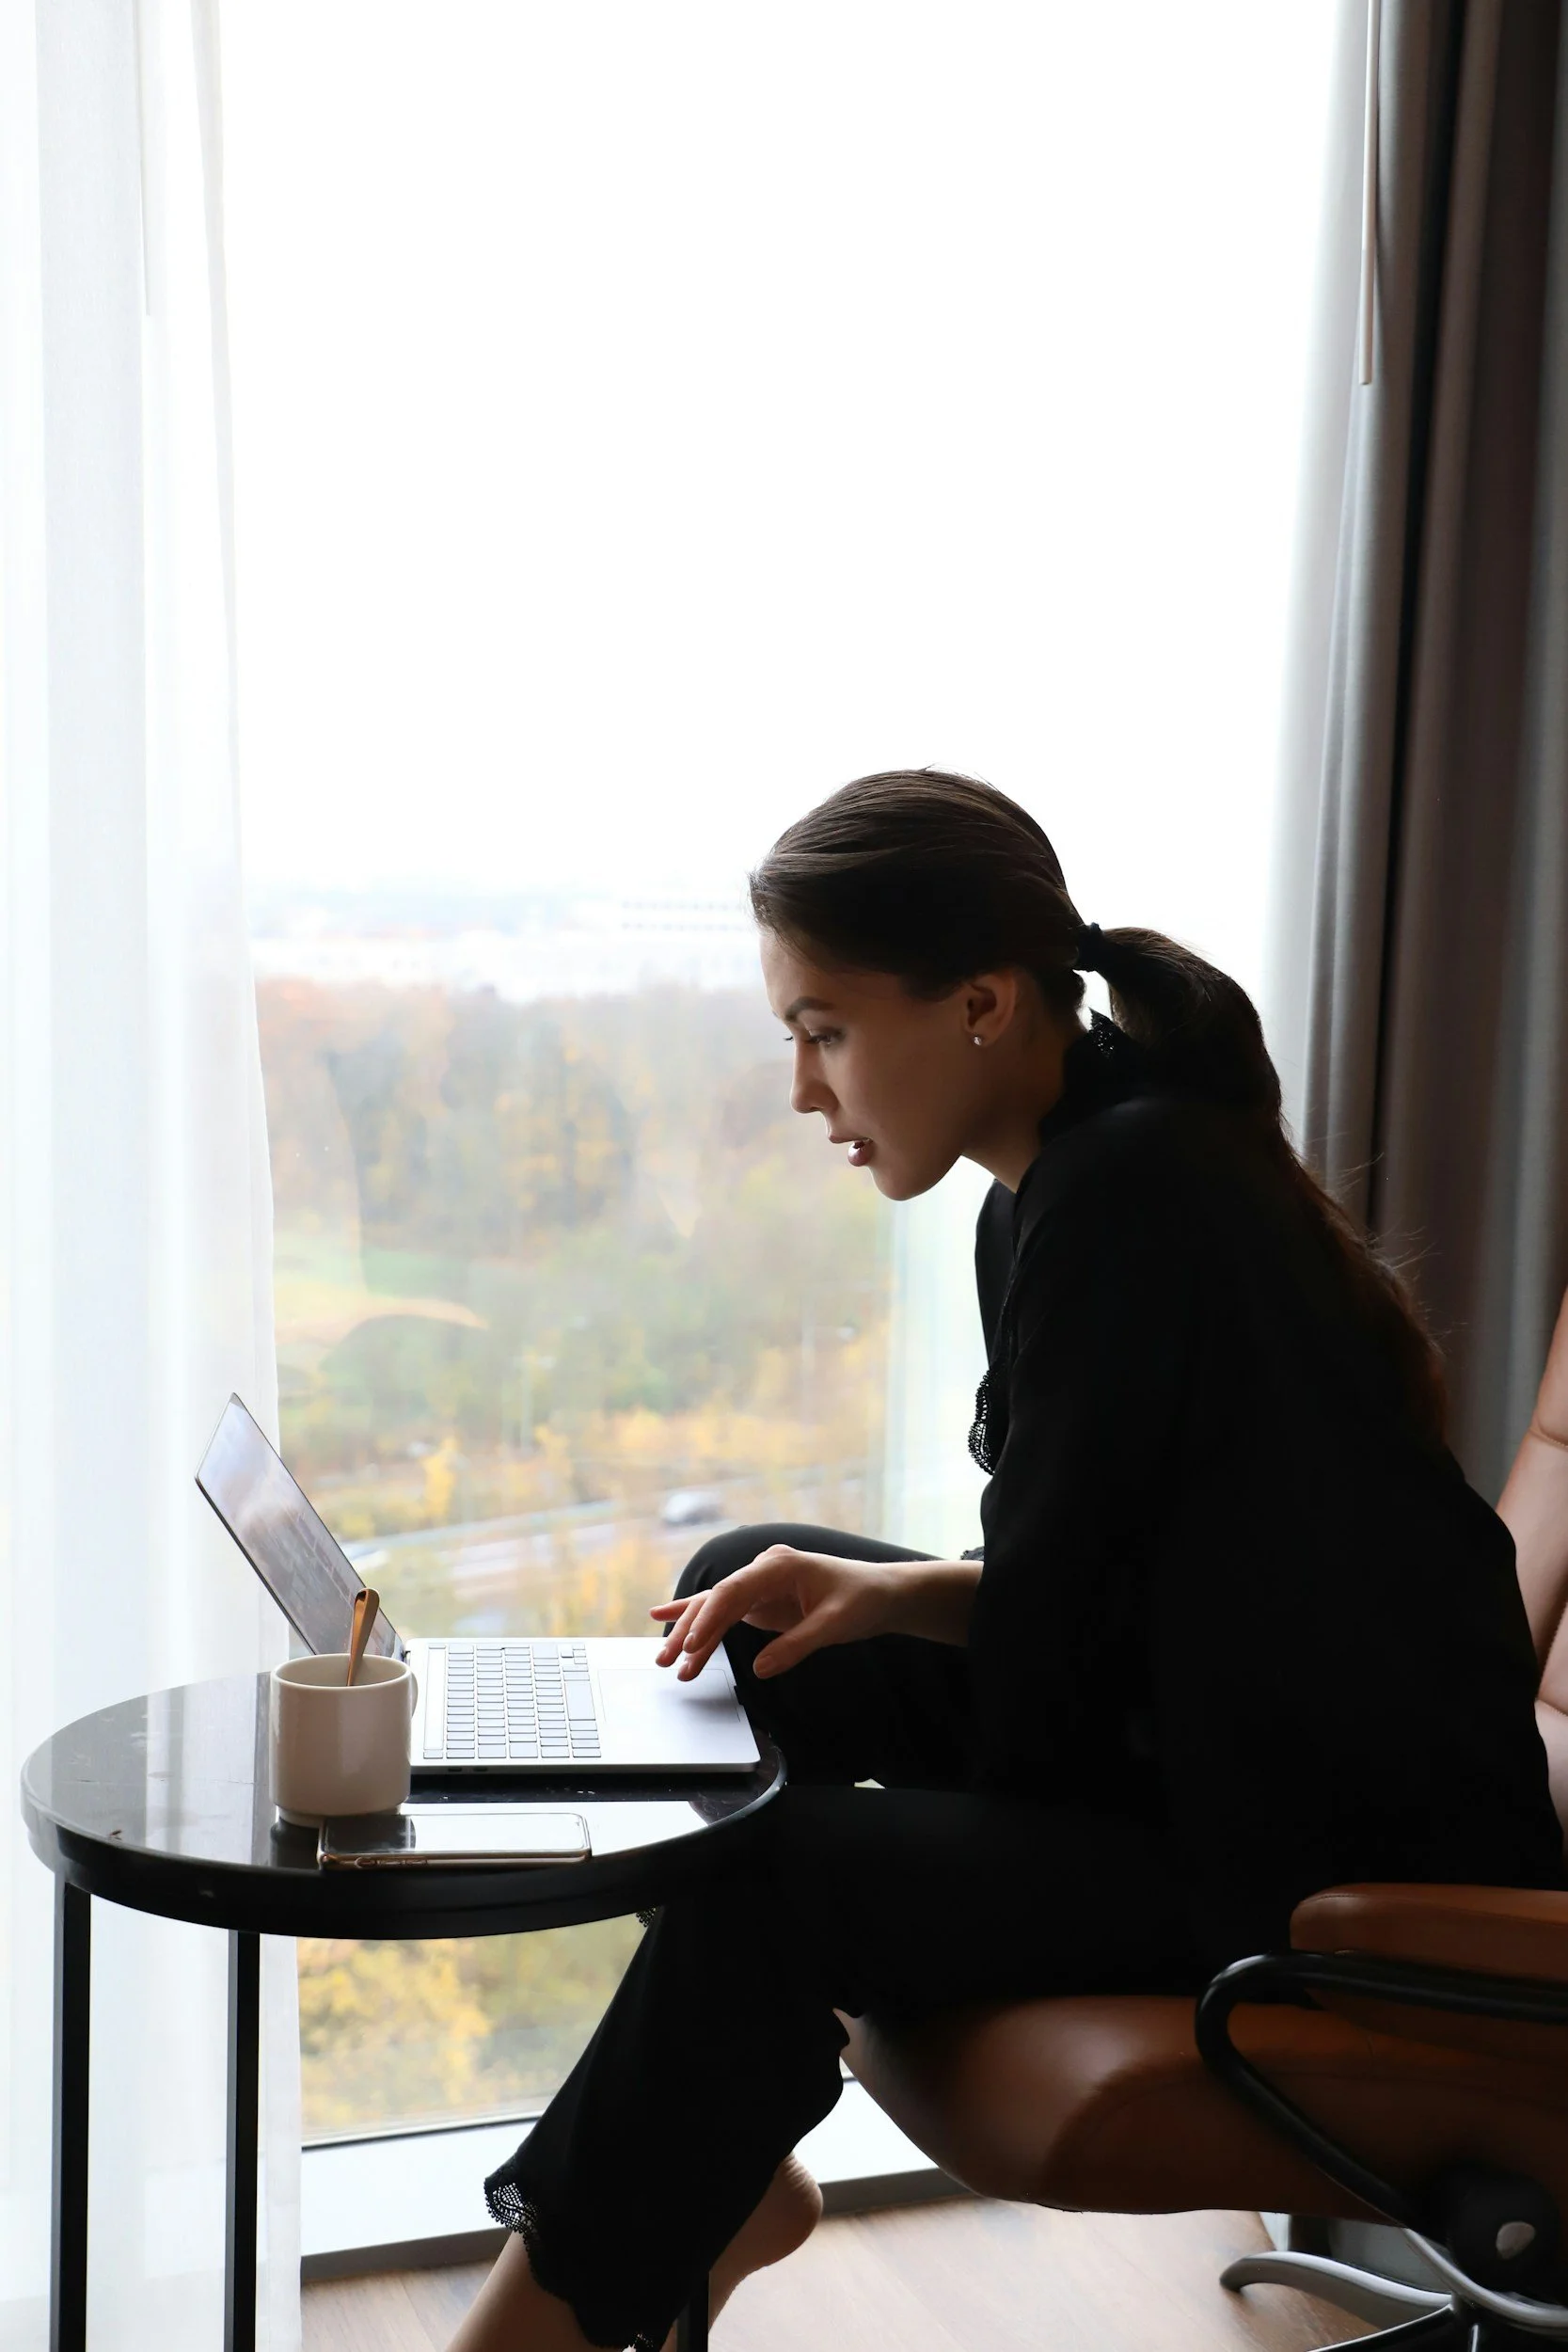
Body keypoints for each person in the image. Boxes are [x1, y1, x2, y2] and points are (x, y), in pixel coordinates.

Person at [450, 771, 1566, 2352]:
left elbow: (1050, 1689)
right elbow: (1108, 1584)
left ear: (979, 1004)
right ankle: (724, 2178)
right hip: (1194, 1737)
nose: (800, 1087)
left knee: (784, 1876)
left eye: (823, 1029)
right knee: (759, 1591)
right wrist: (884, 1602)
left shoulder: (1133, 1197)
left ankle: (544, 2314)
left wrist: (884, 1820)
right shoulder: (1067, 1178)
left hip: (1306, 1855)